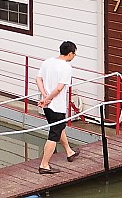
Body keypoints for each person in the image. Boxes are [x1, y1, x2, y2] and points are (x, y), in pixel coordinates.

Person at [36, 40, 79, 174]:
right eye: (74, 54)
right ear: (70, 53)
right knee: (54, 134)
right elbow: (60, 88)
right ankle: (44, 165)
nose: (74, 56)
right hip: (56, 106)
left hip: (47, 106)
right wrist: (48, 99)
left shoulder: (48, 61)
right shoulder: (66, 67)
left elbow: (38, 79)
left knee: (59, 127)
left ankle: (69, 152)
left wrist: (45, 96)